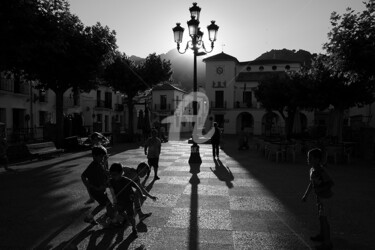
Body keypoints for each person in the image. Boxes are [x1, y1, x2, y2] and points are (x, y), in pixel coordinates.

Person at [108, 163, 157, 237]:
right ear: (139, 168)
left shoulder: (135, 178)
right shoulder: (131, 171)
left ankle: (134, 223)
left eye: (145, 173)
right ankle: (127, 218)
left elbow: (140, 188)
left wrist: (149, 196)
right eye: (143, 172)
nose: (144, 175)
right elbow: (123, 167)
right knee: (120, 209)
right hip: (118, 194)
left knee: (135, 196)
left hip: (127, 198)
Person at [302, 148, 334, 250]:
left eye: (310, 158)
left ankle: (327, 243)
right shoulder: (312, 170)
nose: (308, 160)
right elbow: (311, 184)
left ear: (317, 159)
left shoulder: (321, 171)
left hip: (325, 198)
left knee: (324, 220)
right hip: (320, 198)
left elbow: (330, 183)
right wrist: (306, 195)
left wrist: (321, 190)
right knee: (321, 218)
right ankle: (322, 235)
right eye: (308, 158)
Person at [81, 146, 113, 225]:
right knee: (105, 203)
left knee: (107, 202)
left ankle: (91, 218)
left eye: (103, 156)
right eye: (100, 156)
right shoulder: (93, 166)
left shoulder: (99, 163)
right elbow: (83, 176)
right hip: (96, 190)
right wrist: (90, 186)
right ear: (94, 156)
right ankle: (89, 217)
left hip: (101, 189)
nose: (102, 158)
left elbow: (104, 171)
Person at [84, 132, 110, 204]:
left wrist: (105, 170)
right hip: (97, 168)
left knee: (101, 185)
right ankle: (93, 198)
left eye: (94, 140)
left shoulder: (101, 149)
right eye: (92, 140)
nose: (93, 141)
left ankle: (103, 200)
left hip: (100, 169)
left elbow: (104, 161)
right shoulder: (96, 148)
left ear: (97, 139)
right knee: (91, 183)